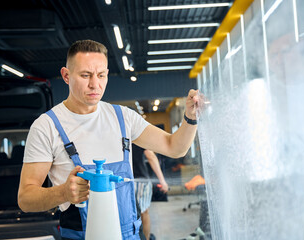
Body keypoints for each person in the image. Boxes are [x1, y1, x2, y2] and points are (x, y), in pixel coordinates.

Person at [17, 39, 201, 240]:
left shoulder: (123, 117)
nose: (94, 84)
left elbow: (174, 147)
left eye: (101, 75)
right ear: (66, 75)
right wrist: (62, 193)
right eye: (85, 75)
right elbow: (26, 198)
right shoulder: (47, 126)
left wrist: (190, 117)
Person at [132, 144, 168, 240]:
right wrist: (162, 180)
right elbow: (150, 156)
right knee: (144, 213)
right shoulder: (137, 134)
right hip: (140, 181)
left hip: (123, 181)